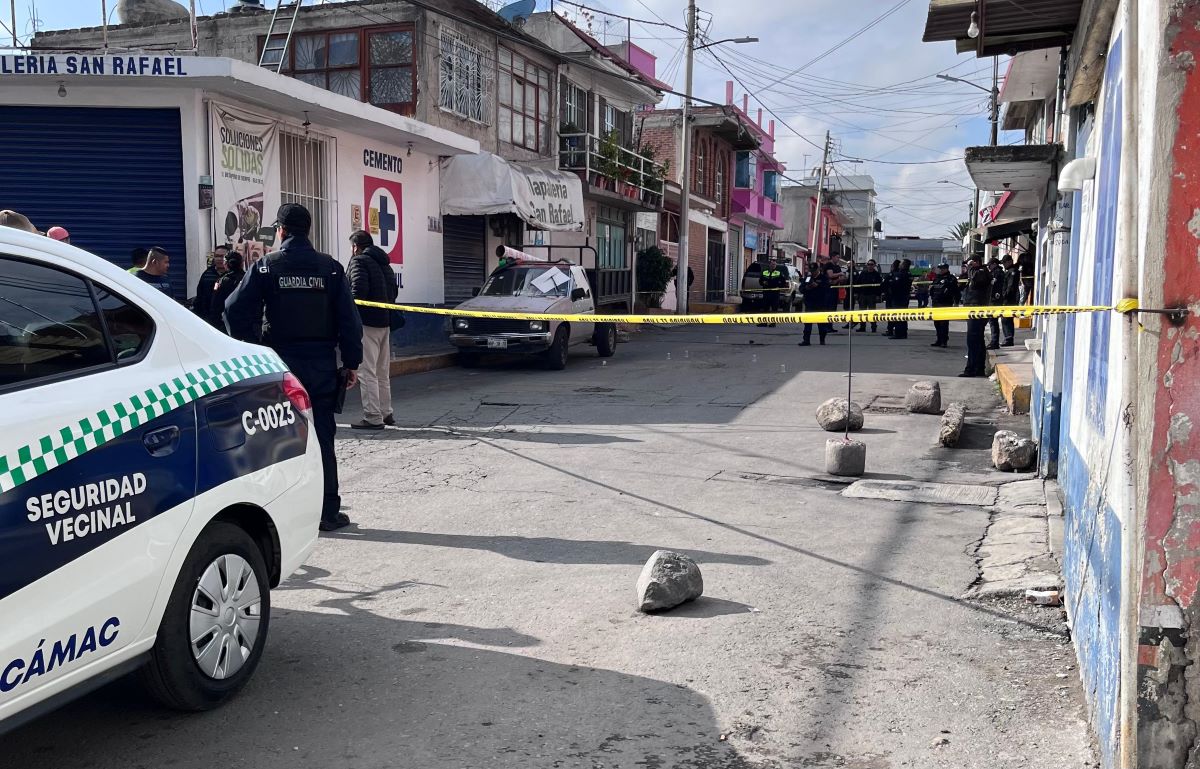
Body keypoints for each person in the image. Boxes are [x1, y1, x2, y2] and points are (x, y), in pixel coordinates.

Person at [226, 204, 363, 532]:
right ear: (308, 230)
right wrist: (352, 363)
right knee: (323, 437)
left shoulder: (266, 266)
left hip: (280, 366)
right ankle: (328, 512)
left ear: (282, 231)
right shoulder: (330, 268)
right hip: (320, 365)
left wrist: (254, 352)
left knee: (277, 439)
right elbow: (350, 321)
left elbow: (233, 310)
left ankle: (281, 516)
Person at [347, 230, 400, 430]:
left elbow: (357, 291)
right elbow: (393, 292)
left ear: (355, 246)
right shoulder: (384, 264)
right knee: (382, 372)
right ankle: (387, 412)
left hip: (367, 323)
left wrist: (350, 312)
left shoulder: (359, 261)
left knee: (366, 371)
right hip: (385, 322)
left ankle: (372, 416)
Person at [960, 256, 991, 377]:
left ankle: (972, 369)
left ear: (977, 262)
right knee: (977, 339)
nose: (968, 266)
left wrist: (971, 269)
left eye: (971, 263)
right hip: (972, 308)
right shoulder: (973, 272)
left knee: (973, 340)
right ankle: (978, 368)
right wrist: (967, 270)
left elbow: (975, 280)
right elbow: (963, 284)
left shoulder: (982, 272)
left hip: (978, 309)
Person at [798, 259, 834, 346]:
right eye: (811, 271)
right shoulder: (808, 278)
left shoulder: (823, 278)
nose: (813, 272)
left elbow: (827, 290)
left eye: (814, 271)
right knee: (807, 324)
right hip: (809, 304)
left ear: (818, 270)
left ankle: (822, 340)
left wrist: (818, 286)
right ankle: (806, 340)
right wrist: (807, 288)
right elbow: (801, 289)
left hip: (820, 304)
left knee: (822, 325)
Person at [193, 247, 228, 325]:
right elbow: (200, 297)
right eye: (217, 256)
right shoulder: (207, 275)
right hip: (209, 320)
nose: (219, 259)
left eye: (223, 256)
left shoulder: (236, 276)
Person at [928, 262, 961, 348]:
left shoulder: (951, 279)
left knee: (944, 323)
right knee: (937, 323)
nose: (940, 270)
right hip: (936, 303)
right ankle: (939, 340)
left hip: (945, 303)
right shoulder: (937, 278)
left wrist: (956, 302)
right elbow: (932, 289)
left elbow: (956, 291)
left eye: (942, 268)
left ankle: (944, 341)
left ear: (946, 269)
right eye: (939, 268)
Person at [211, 251, 244, 331]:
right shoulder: (248, 279)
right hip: (246, 324)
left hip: (226, 325)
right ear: (241, 264)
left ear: (226, 264)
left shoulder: (222, 281)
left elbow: (215, 305)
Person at [884, 259, 913, 339]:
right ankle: (903, 333)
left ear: (904, 265)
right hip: (904, 297)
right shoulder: (909, 274)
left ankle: (899, 334)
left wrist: (890, 284)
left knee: (898, 316)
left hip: (898, 298)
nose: (899, 265)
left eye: (901, 263)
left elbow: (894, 284)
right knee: (903, 316)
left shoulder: (901, 274)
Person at [854, 259, 883, 333]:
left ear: (874, 265)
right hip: (863, 295)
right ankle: (862, 327)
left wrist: (878, 295)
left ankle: (873, 327)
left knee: (872, 312)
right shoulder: (863, 273)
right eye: (868, 264)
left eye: (871, 264)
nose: (870, 266)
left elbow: (879, 286)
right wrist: (857, 293)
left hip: (872, 295)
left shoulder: (876, 274)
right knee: (862, 312)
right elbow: (858, 283)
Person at [758, 256, 786, 327]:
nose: (773, 265)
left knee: (774, 308)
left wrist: (778, 286)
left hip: (775, 294)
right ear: (769, 265)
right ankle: (764, 322)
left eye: (774, 264)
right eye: (772, 264)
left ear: (776, 266)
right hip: (766, 293)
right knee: (765, 308)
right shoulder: (765, 272)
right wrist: (763, 283)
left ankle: (773, 323)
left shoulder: (779, 273)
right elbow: (760, 281)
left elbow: (783, 282)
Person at [1000, 255, 1021, 346]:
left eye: (1004, 262)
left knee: (1006, 319)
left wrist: (1004, 296)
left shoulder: (1013, 271)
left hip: (1009, 300)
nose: (1004, 265)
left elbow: (1011, 287)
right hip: (1008, 299)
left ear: (1009, 261)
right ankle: (1007, 338)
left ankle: (1008, 339)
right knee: (1005, 319)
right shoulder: (1009, 271)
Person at [986, 257, 1005, 349]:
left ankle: (994, 342)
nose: (989, 267)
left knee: (993, 322)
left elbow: (995, 287)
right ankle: (994, 341)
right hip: (993, 300)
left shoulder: (998, 273)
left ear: (994, 264)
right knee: (992, 322)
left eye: (989, 265)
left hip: (995, 301)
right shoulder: (995, 272)